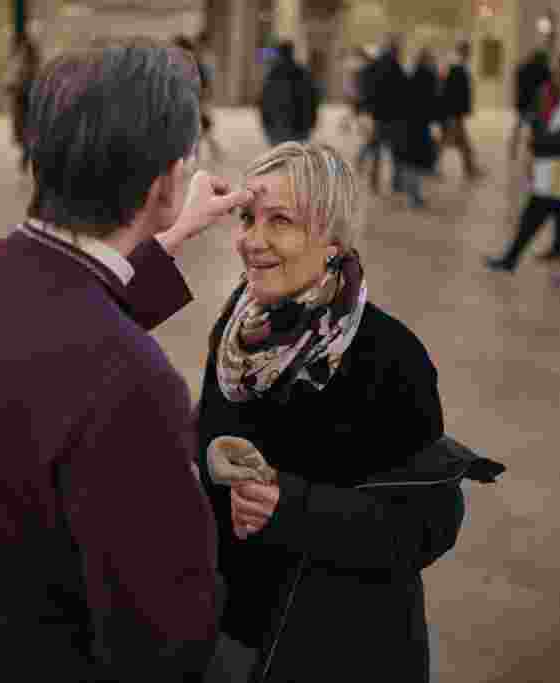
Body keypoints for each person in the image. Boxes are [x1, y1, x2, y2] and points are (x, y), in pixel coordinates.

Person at [0, 40, 255, 682]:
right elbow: (165, 638)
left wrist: (169, 234)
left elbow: (55, 322)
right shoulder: (132, 383)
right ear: (169, 180)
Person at [196, 142, 466, 683]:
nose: (253, 240)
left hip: (331, 647)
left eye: (281, 221)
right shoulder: (237, 334)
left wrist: (291, 506)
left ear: (334, 240)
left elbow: (428, 525)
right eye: (247, 218)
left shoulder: (388, 357)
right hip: (230, 636)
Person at [486, 51, 560, 275]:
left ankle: (511, 260)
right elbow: (543, 125)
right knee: (558, 213)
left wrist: (537, 147)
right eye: (557, 71)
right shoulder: (558, 94)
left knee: (546, 213)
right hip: (552, 164)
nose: (557, 74)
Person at [356, 35, 408, 195]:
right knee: (396, 152)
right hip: (394, 116)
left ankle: (374, 182)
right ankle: (397, 183)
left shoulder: (375, 66)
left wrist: (367, 108)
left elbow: (367, 87)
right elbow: (404, 92)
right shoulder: (396, 67)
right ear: (395, 51)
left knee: (376, 150)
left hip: (378, 115)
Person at [387, 48, 439, 208]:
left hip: (407, 124)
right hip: (419, 125)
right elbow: (432, 102)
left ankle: (411, 193)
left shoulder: (409, 76)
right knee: (414, 161)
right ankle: (413, 197)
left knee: (409, 161)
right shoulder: (428, 77)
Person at [260, 41, 320, 147]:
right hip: (300, 127)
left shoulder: (273, 74)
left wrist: (266, 124)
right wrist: (311, 122)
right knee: (295, 158)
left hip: (277, 128)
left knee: (281, 158)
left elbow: (264, 101)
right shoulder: (302, 72)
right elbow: (313, 98)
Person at [174, 34, 222, 162]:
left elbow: (203, 82)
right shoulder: (183, 61)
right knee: (198, 131)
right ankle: (195, 155)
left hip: (193, 101)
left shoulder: (193, 62)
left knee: (198, 130)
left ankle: (195, 156)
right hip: (189, 101)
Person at [441, 41, 484, 179]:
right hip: (454, 111)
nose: (470, 54)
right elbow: (453, 91)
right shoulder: (456, 66)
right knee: (455, 140)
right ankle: (470, 169)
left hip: (455, 111)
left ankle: (470, 169)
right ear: (463, 51)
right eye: (468, 51)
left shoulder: (458, 65)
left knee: (457, 140)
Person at [3, 33, 41, 173]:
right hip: (25, 103)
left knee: (27, 133)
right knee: (26, 133)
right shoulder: (27, 65)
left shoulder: (30, 66)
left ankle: (27, 156)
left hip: (27, 104)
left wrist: (14, 87)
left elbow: (16, 84)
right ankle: (27, 154)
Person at [510, 49, 551, 160]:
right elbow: (545, 89)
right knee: (536, 128)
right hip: (536, 104)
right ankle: (533, 151)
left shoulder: (522, 68)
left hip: (522, 102)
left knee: (519, 125)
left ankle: (513, 148)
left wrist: (516, 99)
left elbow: (516, 85)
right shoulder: (544, 70)